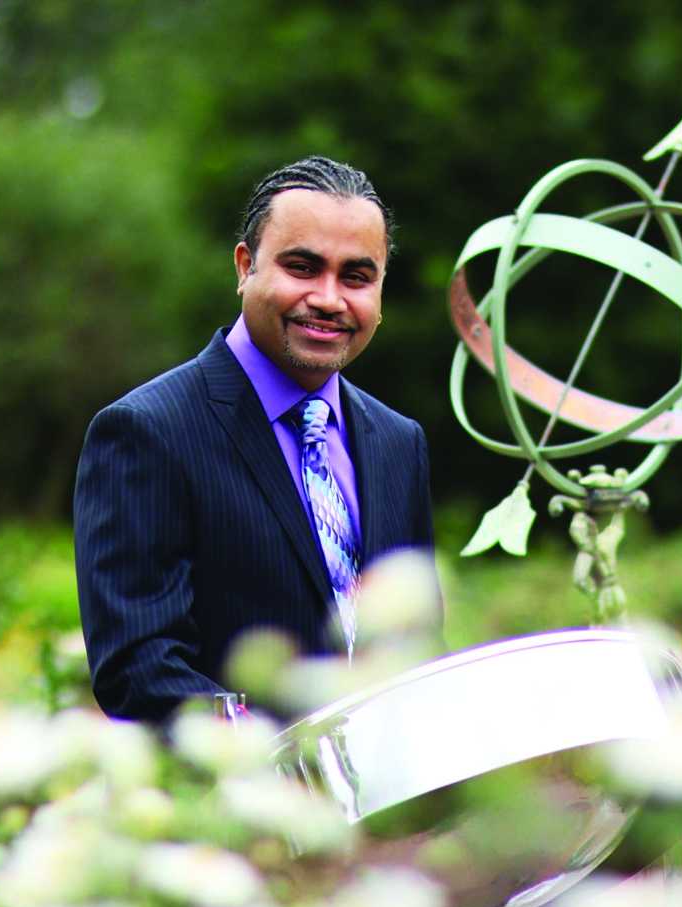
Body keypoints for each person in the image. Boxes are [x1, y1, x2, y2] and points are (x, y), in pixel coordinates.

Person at [73, 156, 436, 723]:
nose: (329, 298)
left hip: (386, 804)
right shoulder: (147, 431)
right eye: (302, 267)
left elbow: (413, 642)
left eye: (356, 277)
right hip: (227, 802)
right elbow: (138, 668)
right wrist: (278, 763)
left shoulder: (398, 442)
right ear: (245, 267)